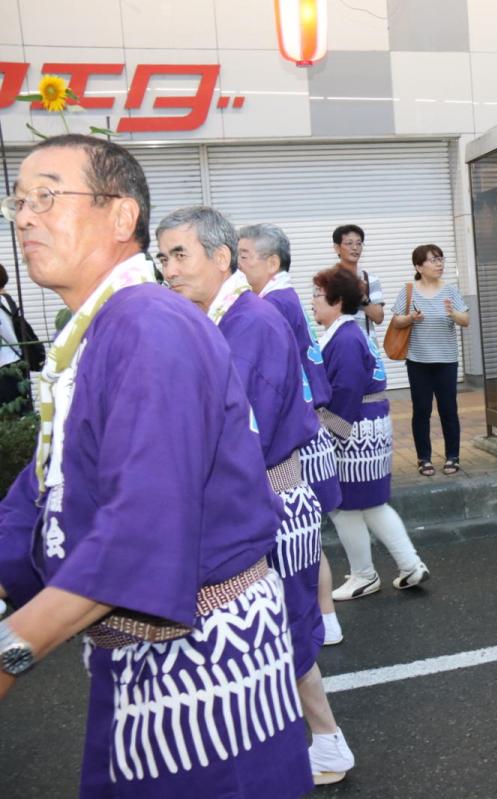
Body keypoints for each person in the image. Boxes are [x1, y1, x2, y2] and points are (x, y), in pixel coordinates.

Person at [0, 134, 311, 796]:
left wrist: (11, 648)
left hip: (204, 665)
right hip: (144, 654)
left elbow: (144, 526)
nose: (24, 217)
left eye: (46, 197)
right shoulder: (103, 327)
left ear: (121, 215)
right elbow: (47, 487)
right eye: (17, 202)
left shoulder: (149, 325)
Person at [158, 207, 355, 786]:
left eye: (180, 254)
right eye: (163, 256)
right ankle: (313, 742)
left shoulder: (251, 322)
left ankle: (326, 742)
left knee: (284, 631)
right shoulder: (225, 318)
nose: (169, 269)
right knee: (274, 632)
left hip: (266, 502)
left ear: (222, 259)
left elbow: (238, 434)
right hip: (257, 499)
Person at [238, 223, 345, 643]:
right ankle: (323, 618)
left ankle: (322, 619)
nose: (236, 263)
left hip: (298, 433)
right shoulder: (281, 299)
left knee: (303, 538)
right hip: (306, 426)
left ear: (272, 262)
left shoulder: (271, 304)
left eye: (244, 255)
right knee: (307, 536)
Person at [312, 267, 430, 600]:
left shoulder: (345, 337)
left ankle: (365, 575)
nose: (313, 302)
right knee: (371, 503)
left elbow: (347, 388)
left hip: (352, 429)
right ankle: (409, 565)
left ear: (337, 300)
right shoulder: (349, 332)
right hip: (367, 426)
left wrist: (329, 428)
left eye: (318, 295)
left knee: (345, 507)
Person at [387, 243, 470, 477]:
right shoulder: (409, 290)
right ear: (419, 266)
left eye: (441, 259)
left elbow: (465, 320)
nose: (439, 264)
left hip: (446, 361)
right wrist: (411, 318)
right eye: (433, 260)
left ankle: (453, 456)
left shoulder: (450, 290)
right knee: (421, 410)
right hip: (418, 361)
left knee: (448, 410)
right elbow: (396, 321)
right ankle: (423, 458)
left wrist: (452, 313)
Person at [332, 224, 384, 336]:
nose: (355, 248)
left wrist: (361, 296)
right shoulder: (328, 280)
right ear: (337, 248)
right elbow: (322, 316)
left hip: (367, 343)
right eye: (349, 243)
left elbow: (379, 318)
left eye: (359, 243)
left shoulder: (370, 279)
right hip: (340, 342)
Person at [0, 264, 32, 413]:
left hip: (7, 364)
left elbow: (8, 334)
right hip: (15, 361)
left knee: (12, 413)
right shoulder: (7, 299)